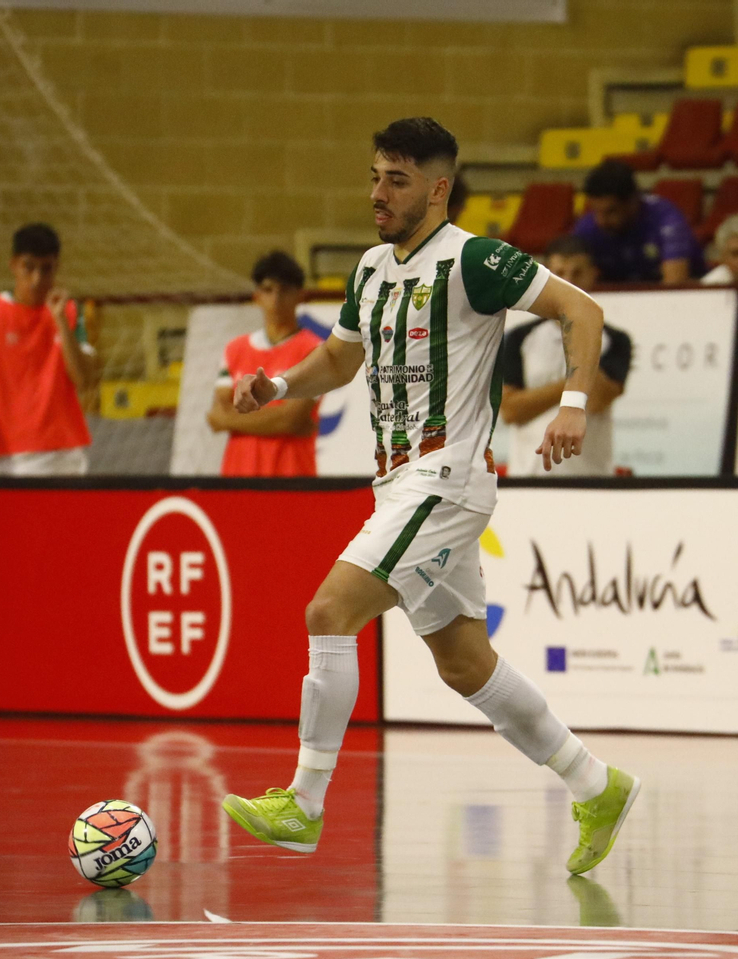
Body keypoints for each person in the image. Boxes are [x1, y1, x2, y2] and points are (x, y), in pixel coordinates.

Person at [221, 118, 639, 876]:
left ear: (438, 189)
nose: (378, 193)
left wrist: (574, 401)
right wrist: (278, 385)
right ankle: (596, 784)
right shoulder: (373, 267)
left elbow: (584, 310)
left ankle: (304, 803)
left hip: (445, 476)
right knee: (463, 662)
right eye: (376, 175)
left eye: (398, 180)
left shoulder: (476, 260)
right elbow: (340, 360)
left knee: (327, 612)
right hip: (398, 483)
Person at [0, 223, 99, 499]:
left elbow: (84, 379)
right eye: (28, 267)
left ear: (57, 268)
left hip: (64, 454)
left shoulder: (68, 311)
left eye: (46, 269)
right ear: (13, 265)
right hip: (7, 459)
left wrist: (60, 323)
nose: (36, 279)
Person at [499, 236, 631, 478]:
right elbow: (511, 411)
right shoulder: (519, 337)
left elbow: (599, 399)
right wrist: (578, 379)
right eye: (560, 273)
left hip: (592, 477)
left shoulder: (615, 339)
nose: (568, 282)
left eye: (577, 273)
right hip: (528, 476)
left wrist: (584, 329)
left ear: (593, 274)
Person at [207, 250, 320, 477]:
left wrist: (231, 420)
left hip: (291, 478)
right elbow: (215, 417)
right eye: (268, 290)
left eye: (284, 290)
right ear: (257, 296)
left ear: (300, 295)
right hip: (237, 479)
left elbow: (291, 419)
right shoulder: (235, 349)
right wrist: (277, 419)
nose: (276, 300)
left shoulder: (313, 350)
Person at [573, 159, 705, 283]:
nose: (601, 221)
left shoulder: (665, 218)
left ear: (633, 201)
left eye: (611, 211)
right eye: (596, 211)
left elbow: (674, 284)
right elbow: (571, 283)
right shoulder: (588, 227)